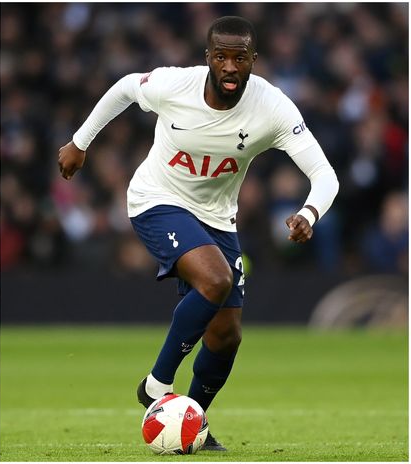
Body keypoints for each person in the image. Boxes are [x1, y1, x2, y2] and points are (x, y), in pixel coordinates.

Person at [58, 16, 339, 451]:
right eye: (221, 56)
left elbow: (324, 175)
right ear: (208, 57)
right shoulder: (175, 85)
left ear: (253, 60)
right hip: (156, 199)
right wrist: (80, 142)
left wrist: (310, 212)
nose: (229, 66)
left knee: (226, 335)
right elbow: (126, 88)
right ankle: (156, 384)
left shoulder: (273, 107)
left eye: (240, 58)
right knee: (215, 278)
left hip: (218, 218)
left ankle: (192, 423)